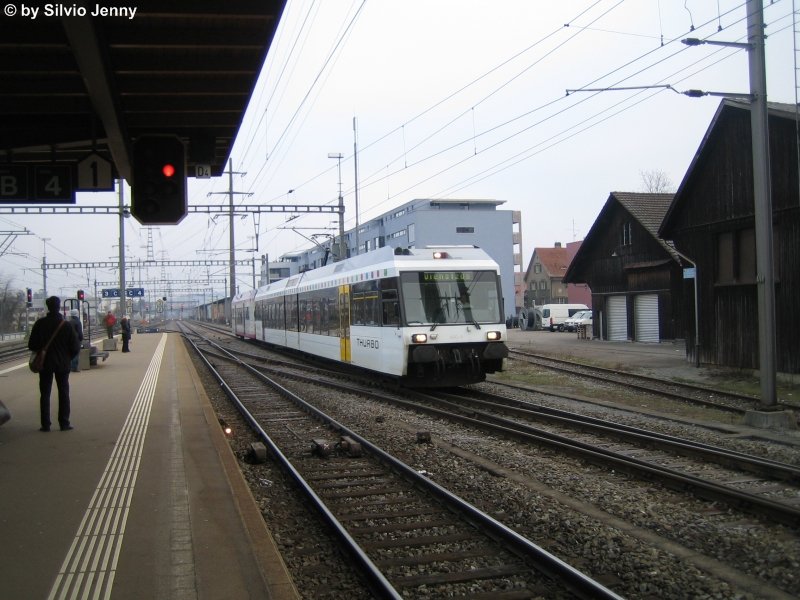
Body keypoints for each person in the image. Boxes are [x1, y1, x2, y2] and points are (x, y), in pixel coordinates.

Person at [28, 296, 80, 432]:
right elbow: (75, 347)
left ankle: (45, 425)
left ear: (47, 307)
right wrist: (68, 358)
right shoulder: (66, 325)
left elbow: (31, 345)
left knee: (45, 394)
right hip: (63, 364)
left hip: (44, 364)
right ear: (59, 307)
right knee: (63, 393)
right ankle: (64, 423)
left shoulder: (40, 324)